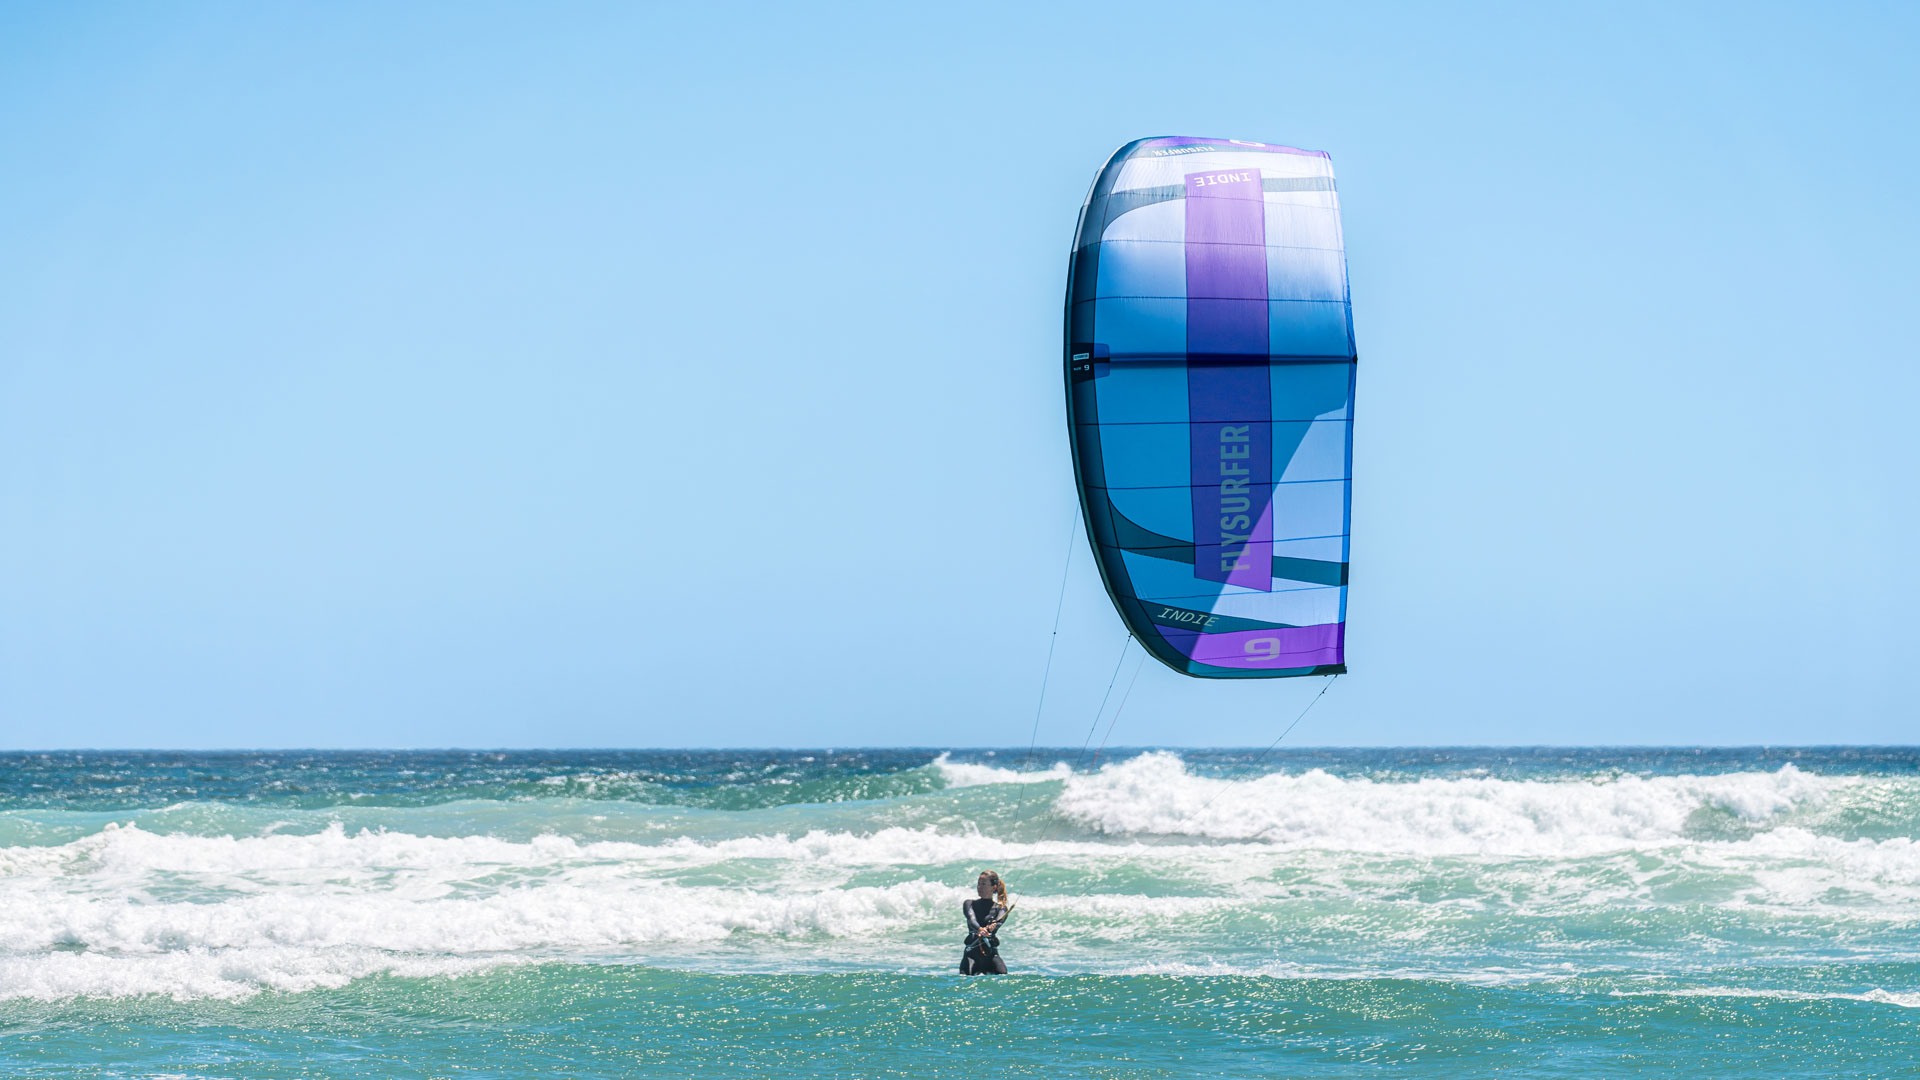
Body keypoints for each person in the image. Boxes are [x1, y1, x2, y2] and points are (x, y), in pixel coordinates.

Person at [960, 870, 1012, 975]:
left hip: (990, 954)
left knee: (1003, 975)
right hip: (971, 954)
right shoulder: (969, 904)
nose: (979, 887)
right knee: (964, 978)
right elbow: (971, 919)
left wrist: (993, 926)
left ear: (994, 887)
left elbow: (999, 922)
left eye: (983, 884)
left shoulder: (1001, 908)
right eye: (978, 884)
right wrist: (979, 929)